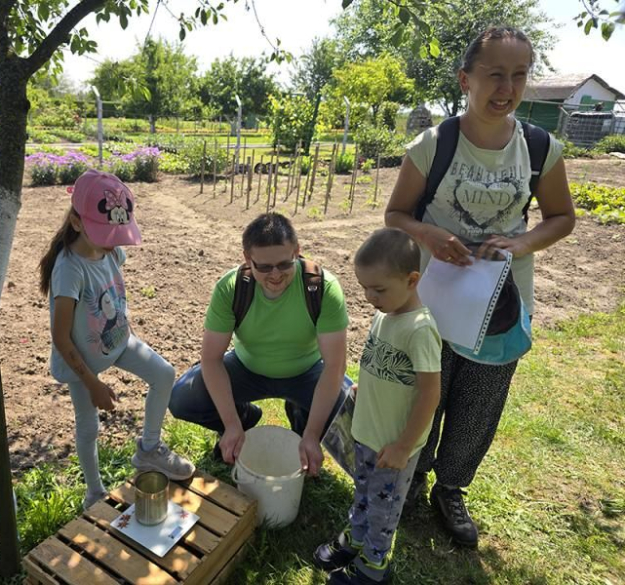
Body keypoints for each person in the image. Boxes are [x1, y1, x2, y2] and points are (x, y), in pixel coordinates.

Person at [384, 26, 575, 547]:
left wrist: (520, 244)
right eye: (494, 74)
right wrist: (428, 233)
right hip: (433, 298)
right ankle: (410, 474)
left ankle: (451, 487)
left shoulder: (539, 148)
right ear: (465, 79)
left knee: (480, 402)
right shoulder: (434, 144)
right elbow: (396, 213)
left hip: (499, 303)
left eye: (518, 75)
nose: (506, 87)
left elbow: (561, 218)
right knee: (424, 389)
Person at [39, 170, 195, 509]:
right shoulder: (68, 270)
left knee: (164, 374)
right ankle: (94, 491)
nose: (113, 241)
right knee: (88, 426)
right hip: (81, 359)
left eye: (116, 233)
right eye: (105, 233)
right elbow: (60, 336)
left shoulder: (109, 250)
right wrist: (92, 383)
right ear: (77, 223)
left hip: (118, 340)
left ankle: (149, 450)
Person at [169, 212, 349, 476]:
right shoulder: (231, 288)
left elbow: (335, 366)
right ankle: (244, 419)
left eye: (284, 264)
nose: (275, 275)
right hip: (247, 367)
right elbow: (211, 359)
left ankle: (303, 422)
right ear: (247, 259)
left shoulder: (322, 288)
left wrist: (312, 434)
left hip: (306, 370)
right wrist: (231, 424)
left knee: (347, 415)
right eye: (264, 267)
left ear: (297, 252)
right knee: (183, 398)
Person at [314, 228, 441, 585]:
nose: (370, 297)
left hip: (393, 445)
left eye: (379, 289)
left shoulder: (419, 329)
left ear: (412, 279)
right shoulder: (384, 315)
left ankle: (372, 566)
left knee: (385, 509)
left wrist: (403, 446)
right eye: (365, 287)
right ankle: (357, 535)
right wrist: (361, 385)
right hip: (367, 431)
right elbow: (381, 363)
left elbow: (430, 393)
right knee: (365, 490)